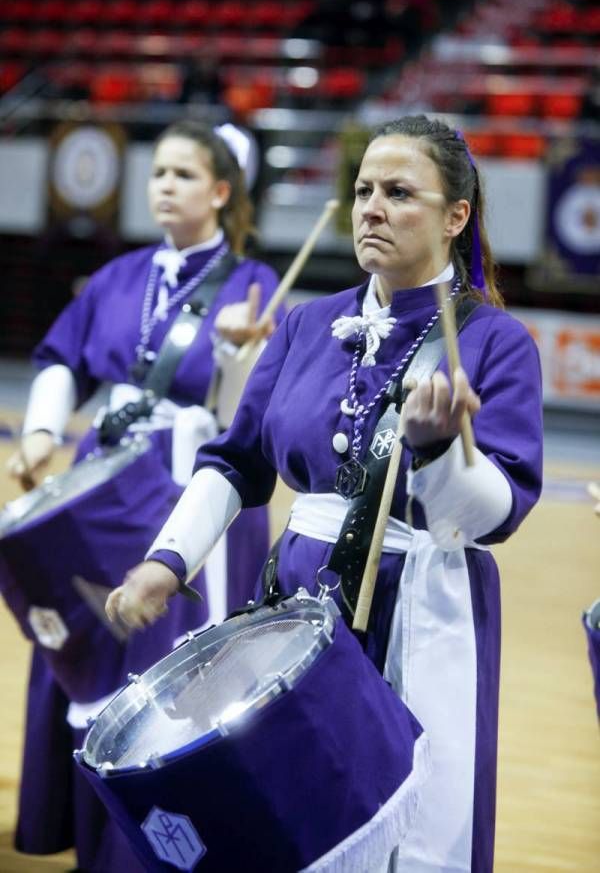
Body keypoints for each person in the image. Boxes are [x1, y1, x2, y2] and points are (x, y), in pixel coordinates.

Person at [107, 114, 544, 872]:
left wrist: (441, 450)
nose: (370, 207)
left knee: (412, 825)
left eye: (399, 192)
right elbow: (236, 460)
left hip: (423, 609)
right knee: (288, 810)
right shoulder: (308, 324)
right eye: (364, 189)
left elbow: (496, 513)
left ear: (456, 216)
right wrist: (166, 561)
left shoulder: (496, 341)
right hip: (295, 600)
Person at [5, 120, 282, 872]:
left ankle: (155, 837)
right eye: (158, 171)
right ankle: (75, 817)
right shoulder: (119, 275)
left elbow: (241, 416)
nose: (164, 185)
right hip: (100, 481)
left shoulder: (256, 286)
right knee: (86, 634)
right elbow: (64, 354)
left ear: (222, 193)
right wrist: (39, 432)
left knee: (169, 652)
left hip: (187, 478)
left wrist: (233, 354)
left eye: (185, 175)